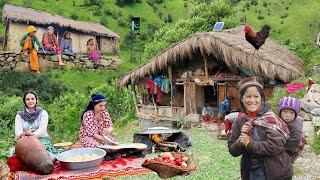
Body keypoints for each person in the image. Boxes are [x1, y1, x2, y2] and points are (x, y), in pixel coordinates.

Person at [228, 76, 293, 180]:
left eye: (256, 96)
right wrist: (241, 140)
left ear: (261, 98)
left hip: (277, 172)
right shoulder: (239, 121)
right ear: (242, 99)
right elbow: (232, 151)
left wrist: (249, 144)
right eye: (248, 96)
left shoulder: (270, 118)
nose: (252, 100)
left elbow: (275, 146)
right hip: (252, 173)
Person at [15, 91, 63, 155]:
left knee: (40, 150)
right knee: (23, 153)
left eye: (32, 99)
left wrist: (32, 134)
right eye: (27, 99)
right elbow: (18, 131)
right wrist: (23, 134)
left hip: (41, 138)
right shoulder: (19, 115)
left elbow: (42, 130)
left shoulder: (43, 113)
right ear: (24, 101)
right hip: (25, 140)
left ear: (36, 100)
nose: (30, 101)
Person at [278, 96, 305, 162]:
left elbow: (296, 139)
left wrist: (287, 151)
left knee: (286, 161)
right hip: (285, 141)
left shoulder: (296, 126)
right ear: (280, 112)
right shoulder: (280, 120)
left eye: (291, 113)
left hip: (292, 147)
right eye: (285, 112)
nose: (288, 115)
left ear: (295, 115)